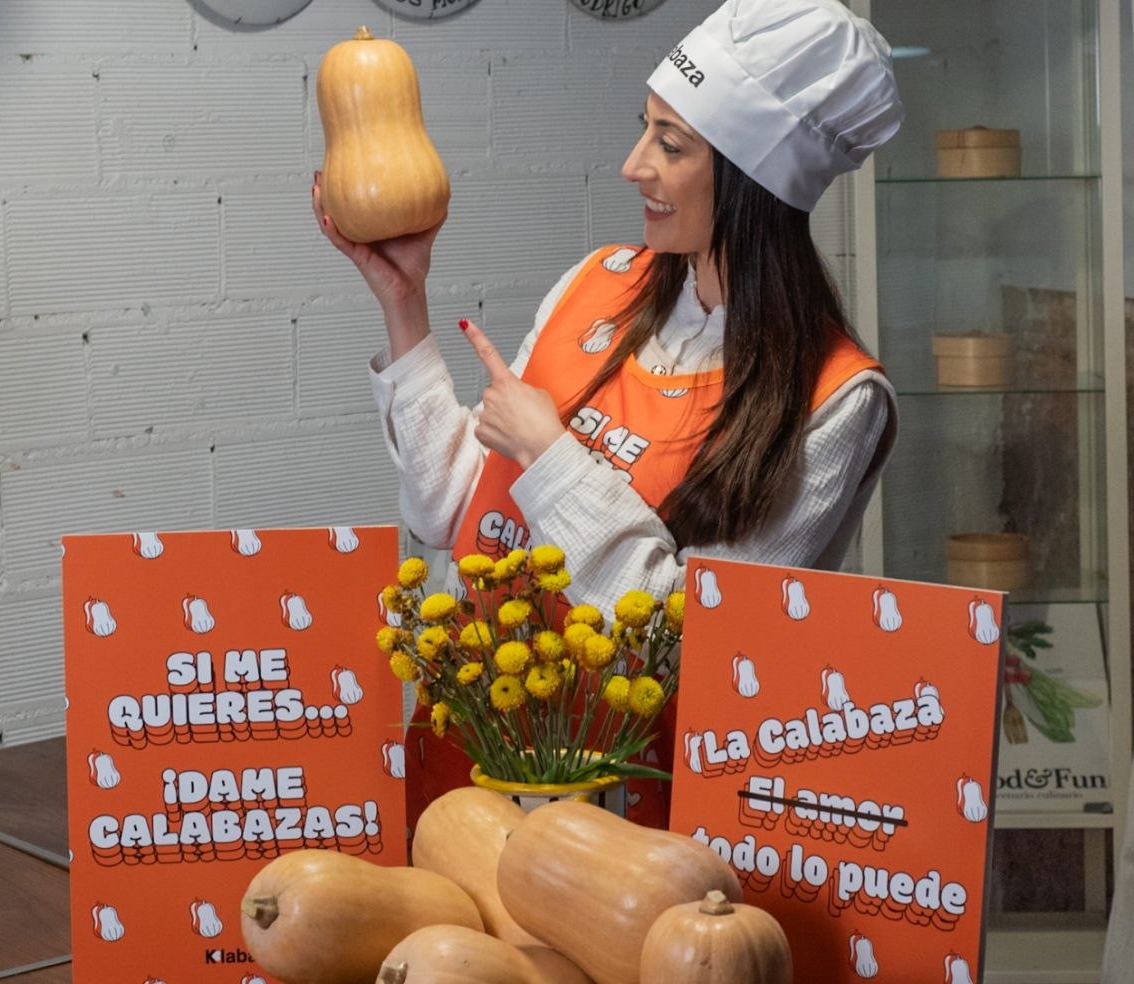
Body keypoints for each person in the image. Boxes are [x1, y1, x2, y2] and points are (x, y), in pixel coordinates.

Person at [312, 0, 904, 829]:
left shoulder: (837, 398)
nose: (633, 166)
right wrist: (404, 303)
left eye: (671, 144)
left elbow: (693, 642)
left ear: (754, 182)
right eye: (644, 130)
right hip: (460, 771)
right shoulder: (599, 282)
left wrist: (552, 454)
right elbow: (450, 513)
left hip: (626, 825)